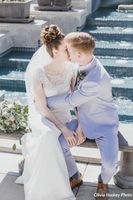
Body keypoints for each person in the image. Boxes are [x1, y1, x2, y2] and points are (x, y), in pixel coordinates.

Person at [15, 25, 85, 200]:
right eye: (65, 49)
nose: (69, 52)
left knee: (51, 138)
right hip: (43, 116)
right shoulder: (38, 72)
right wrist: (64, 129)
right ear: (54, 51)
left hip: (63, 115)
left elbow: (78, 102)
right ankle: (51, 188)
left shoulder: (71, 69)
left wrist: (80, 127)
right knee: (47, 135)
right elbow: (42, 107)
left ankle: (68, 178)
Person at [47, 32, 119, 199]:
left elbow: (71, 100)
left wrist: (45, 101)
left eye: (68, 51)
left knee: (109, 165)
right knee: (58, 143)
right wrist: (79, 126)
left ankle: (103, 181)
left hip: (104, 126)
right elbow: (78, 101)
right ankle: (75, 175)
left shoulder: (96, 79)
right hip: (83, 121)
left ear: (78, 54)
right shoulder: (84, 63)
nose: (67, 53)